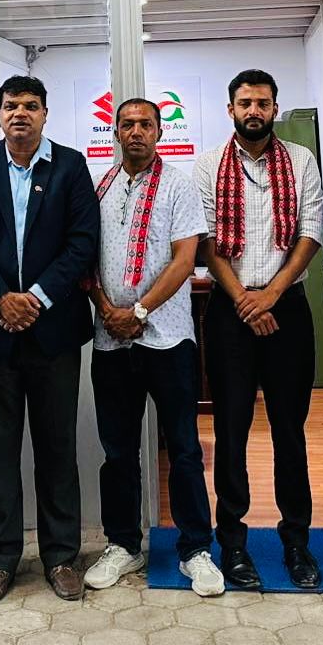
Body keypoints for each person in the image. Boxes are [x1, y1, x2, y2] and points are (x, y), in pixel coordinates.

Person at [0, 75, 100, 604]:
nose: (20, 114)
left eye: (30, 106)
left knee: (58, 447)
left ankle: (61, 556)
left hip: (53, 330)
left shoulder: (71, 166)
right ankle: (1, 557)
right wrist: (0, 299)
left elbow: (82, 242)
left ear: (45, 114)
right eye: (11, 105)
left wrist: (34, 298)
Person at [83, 99, 224, 598]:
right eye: (127, 124)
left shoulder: (179, 185)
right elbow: (85, 257)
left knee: (183, 448)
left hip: (168, 338)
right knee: (117, 451)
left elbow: (185, 258)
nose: (136, 131)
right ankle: (123, 544)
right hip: (110, 340)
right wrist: (106, 308)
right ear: (116, 132)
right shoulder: (99, 185)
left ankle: (195, 549)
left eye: (146, 124)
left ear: (160, 131)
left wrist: (139, 311)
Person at [193, 69, 323, 590]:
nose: (254, 111)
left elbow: (310, 233)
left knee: (290, 432)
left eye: (263, 103)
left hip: (286, 307)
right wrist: (247, 302)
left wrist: (269, 296)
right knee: (231, 432)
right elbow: (206, 241)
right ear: (230, 109)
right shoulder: (208, 165)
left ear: (274, 107)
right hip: (230, 310)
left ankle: (297, 542)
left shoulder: (302, 160)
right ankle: (233, 544)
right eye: (245, 102)